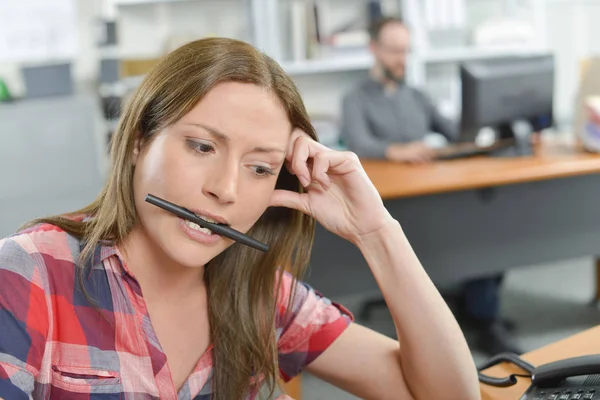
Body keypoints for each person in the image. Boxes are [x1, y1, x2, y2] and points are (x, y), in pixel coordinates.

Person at [0, 37, 480, 399]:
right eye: (202, 146)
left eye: (260, 169)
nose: (226, 190)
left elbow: (450, 394)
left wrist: (377, 234)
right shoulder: (29, 272)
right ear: (139, 141)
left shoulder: (262, 291)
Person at [340, 16, 521, 356]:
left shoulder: (418, 96)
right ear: (374, 50)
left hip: (430, 190)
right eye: (394, 51)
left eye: (406, 51)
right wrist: (396, 150)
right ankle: (479, 311)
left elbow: (456, 133)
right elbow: (356, 142)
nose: (401, 59)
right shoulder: (355, 98)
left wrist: (497, 124)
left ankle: (482, 311)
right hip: (389, 202)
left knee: (489, 223)